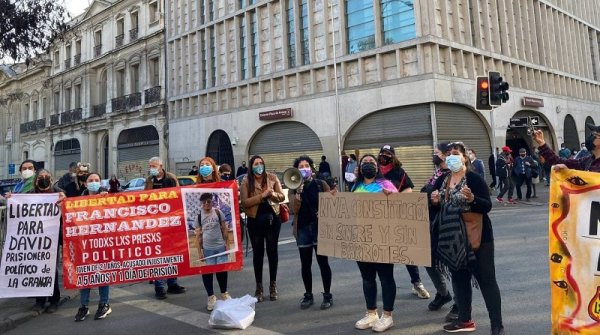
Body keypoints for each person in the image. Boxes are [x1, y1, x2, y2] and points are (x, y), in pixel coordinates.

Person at [431, 142, 504, 335]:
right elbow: (433, 204)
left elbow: (486, 206)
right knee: (459, 279)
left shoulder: (474, 178)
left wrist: (472, 200)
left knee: (487, 280)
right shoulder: (443, 180)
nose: (451, 157)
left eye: (455, 153)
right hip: (453, 239)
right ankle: (464, 320)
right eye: (448, 154)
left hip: (478, 237)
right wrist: (434, 201)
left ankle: (497, 326)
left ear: (464, 157)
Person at [352, 154, 398, 332]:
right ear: (360, 167)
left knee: (386, 278)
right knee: (368, 279)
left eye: (372, 162)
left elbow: (399, 208)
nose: (368, 164)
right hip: (362, 240)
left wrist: (391, 197)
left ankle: (387, 316)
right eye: (365, 162)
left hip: (383, 239)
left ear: (377, 167)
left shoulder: (386, 185)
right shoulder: (356, 186)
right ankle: (371, 313)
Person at [377, 145, 430, 300]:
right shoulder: (374, 172)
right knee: (384, 255)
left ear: (393, 156)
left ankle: (417, 282)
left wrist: (394, 195)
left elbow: (408, 190)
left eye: (388, 154)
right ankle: (386, 285)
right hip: (379, 219)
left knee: (406, 252)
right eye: (382, 153)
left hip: (397, 216)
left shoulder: (399, 172)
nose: (384, 156)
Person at [291, 155, 333, 310]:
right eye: (301, 166)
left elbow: (331, 205)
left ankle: (327, 295)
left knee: (323, 263)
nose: (304, 169)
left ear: (311, 168)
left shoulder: (321, 184)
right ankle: (308, 294)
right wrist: (297, 193)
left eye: (306, 165)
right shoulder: (294, 187)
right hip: (302, 229)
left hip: (319, 229)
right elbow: (293, 210)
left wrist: (325, 213)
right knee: (305, 264)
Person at [241, 155, 285, 302]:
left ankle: (273, 285)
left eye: (261, 163)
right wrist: (262, 196)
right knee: (258, 254)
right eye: (256, 163)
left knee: (273, 252)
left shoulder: (272, 177)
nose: (259, 166)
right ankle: (259, 287)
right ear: (251, 166)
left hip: (273, 219)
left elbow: (281, 197)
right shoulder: (246, 181)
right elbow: (245, 202)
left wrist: (271, 194)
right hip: (255, 221)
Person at [420, 143, 456, 318]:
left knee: (451, 264)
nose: (434, 155)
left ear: (445, 155)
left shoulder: (452, 175)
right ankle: (443, 293)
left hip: (445, 224)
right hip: (431, 223)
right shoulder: (437, 174)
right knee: (429, 261)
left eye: (436, 152)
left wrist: (435, 199)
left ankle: (459, 301)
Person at [144, 157, 186, 299]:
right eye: (150, 166)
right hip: (155, 223)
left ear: (161, 166)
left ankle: (172, 283)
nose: (152, 168)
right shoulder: (149, 180)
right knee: (159, 255)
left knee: (172, 252)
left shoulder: (171, 178)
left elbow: (178, 196)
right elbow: (144, 198)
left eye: (154, 165)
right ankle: (159, 287)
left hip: (170, 220)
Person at [75, 172, 112, 321]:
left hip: (102, 241)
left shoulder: (106, 196)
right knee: (85, 274)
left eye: (97, 180)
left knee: (102, 272)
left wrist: (107, 199)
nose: (94, 182)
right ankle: (83, 306)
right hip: (84, 242)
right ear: (85, 184)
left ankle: (104, 304)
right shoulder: (77, 201)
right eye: (91, 180)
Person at [195, 157, 231, 310]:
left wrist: (227, 242)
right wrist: (199, 251)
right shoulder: (195, 187)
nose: (204, 167)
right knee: (208, 270)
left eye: (207, 164)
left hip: (219, 242)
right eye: (201, 165)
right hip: (208, 244)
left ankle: (224, 293)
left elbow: (224, 226)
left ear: (213, 167)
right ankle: (210, 296)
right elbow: (197, 235)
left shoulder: (222, 185)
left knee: (221, 268)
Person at [532, 125, 600, 172]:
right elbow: (558, 161)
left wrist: (569, 174)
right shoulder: (588, 160)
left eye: (594, 135)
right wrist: (542, 143)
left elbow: (589, 183)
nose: (591, 137)